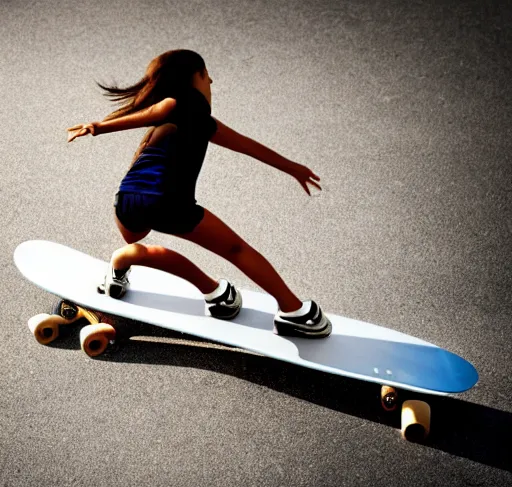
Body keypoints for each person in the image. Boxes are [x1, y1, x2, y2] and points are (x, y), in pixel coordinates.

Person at [67, 49, 331, 338]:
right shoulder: (188, 103)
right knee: (236, 249)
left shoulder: (177, 125)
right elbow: (162, 110)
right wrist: (99, 127)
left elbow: (243, 143)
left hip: (127, 201)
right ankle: (294, 313)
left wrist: (292, 167)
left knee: (138, 242)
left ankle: (125, 266)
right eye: (207, 75)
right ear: (196, 76)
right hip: (166, 201)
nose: (212, 82)